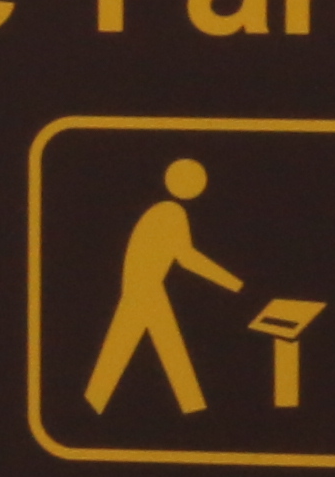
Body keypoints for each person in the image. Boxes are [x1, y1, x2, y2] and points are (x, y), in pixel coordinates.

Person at [83, 157, 239, 420]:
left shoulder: (160, 211)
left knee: (143, 348)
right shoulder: (170, 212)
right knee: (155, 348)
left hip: (142, 289)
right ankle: (193, 409)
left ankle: (191, 407)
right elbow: (186, 257)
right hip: (144, 290)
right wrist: (233, 283)